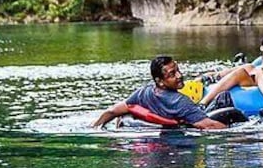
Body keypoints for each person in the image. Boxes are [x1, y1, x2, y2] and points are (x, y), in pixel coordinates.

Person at [92, 55, 227, 130]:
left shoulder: (145, 92)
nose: (180, 75)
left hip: (165, 123)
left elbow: (112, 111)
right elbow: (209, 125)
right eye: (172, 74)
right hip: (188, 124)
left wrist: (94, 127)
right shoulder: (180, 102)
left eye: (178, 70)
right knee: (224, 97)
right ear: (160, 81)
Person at [198, 34, 263, 117]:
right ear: (262, 47)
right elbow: (220, 75)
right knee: (242, 71)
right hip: (249, 87)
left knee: (261, 71)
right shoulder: (251, 68)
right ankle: (202, 105)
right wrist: (201, 78)